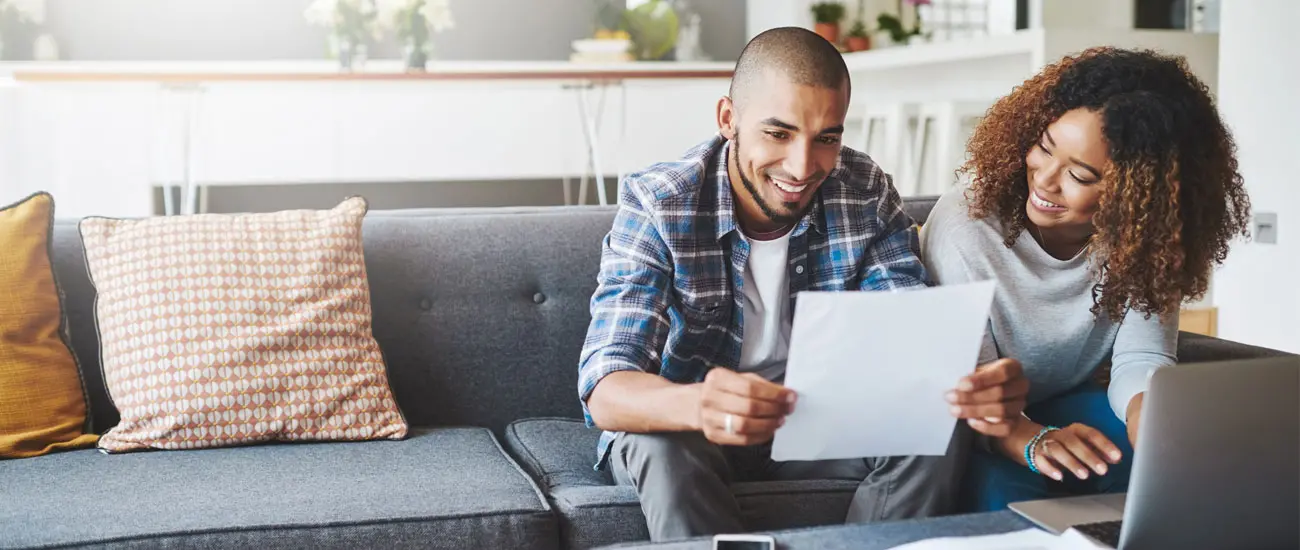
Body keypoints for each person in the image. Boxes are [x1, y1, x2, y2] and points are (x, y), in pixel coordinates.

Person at [577, 27, 1030, 542]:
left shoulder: (862, 191)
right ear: (729, 119)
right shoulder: (661, 202)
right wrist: (700, 404)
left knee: (939, 426)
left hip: (816, 423)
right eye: (778, 133)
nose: (802, 166)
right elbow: (606, 385)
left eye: (827, 138)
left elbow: (906, 325)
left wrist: (972, 381)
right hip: (692, 427)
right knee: (660, 444)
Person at [920, 47, 1251, 512]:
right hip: (981, 426)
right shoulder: (967, 226)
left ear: (1140, 193)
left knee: (1181, 476)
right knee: (1001, 498)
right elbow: (971, 388)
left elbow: (1141, 356)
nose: (1045, 180)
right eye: (1044, 147)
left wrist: (1149, 416)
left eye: (1080, 174)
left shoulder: (1147, 237)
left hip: (1069, 403)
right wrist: (1032, 440)